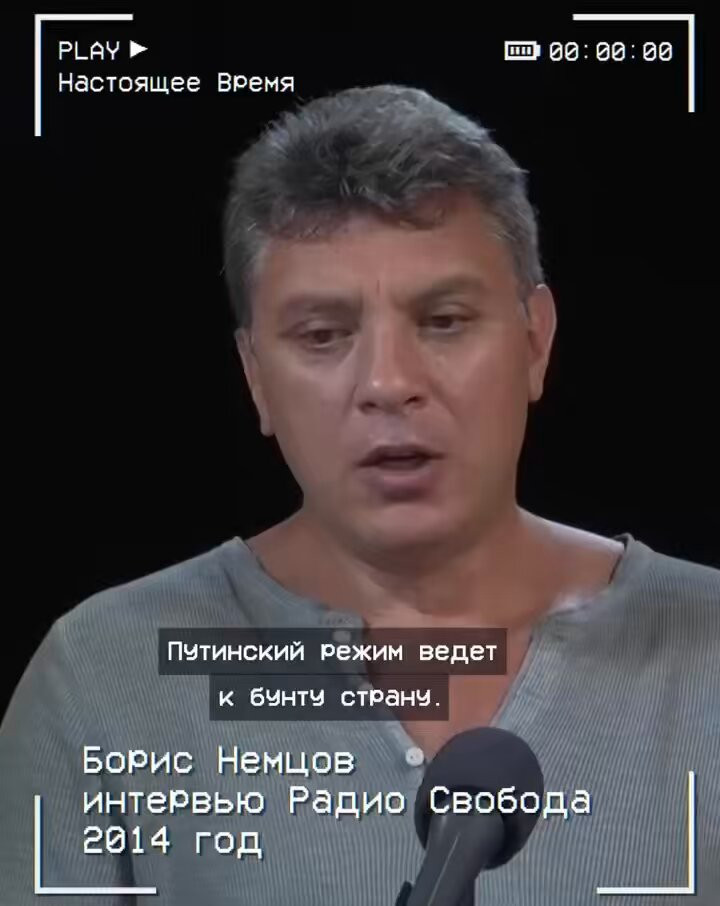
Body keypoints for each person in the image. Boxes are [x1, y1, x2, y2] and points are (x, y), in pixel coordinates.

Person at [1, 84, 718, 905]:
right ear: (255, 377)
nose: (387, 383)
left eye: (444, 321)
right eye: (322, 335)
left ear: (534, 342)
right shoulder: (106, 676)